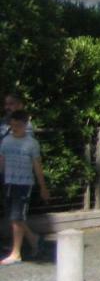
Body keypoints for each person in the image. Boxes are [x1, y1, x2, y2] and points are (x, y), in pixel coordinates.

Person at [1, 110, 49, 265]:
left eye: (18, 125)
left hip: (24, 183)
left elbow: (37, 167)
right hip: (9, 182)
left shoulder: (31, 143)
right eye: (13, 125)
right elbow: (1, 162)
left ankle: (16, 253)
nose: (15, 128)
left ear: (24, 125)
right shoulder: (6, 141)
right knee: (15, 217)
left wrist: (43, 187)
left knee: (16, 217)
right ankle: (34, 239)